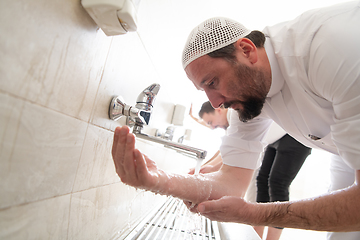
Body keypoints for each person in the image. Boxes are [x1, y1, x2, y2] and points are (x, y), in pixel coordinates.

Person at [111, 2, 360, 239]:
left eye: (212, 83)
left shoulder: (329, 49)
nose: (216, 103)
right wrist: (157, 181)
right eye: (205, 90)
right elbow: (231, 181)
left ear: (246, 50)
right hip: (342, 152)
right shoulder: (250, 94)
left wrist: (252, 213)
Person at [192, 101, 312, 240]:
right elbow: (226, 150)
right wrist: (207, 167)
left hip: (294, 134)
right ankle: (257, 236)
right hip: (275, 138)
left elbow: (233, 151)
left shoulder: (234, 114)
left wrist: (211, 168)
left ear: (218, 110)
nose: (212, 127)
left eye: (210, 122)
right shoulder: (231, 119)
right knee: (261, 180)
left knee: (277, 183)